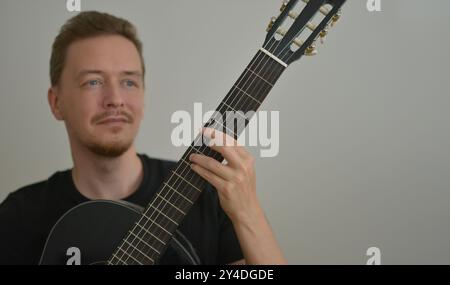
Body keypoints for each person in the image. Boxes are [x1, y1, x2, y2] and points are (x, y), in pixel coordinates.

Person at [0, 11, 286, 265]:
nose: (115, 99)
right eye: (93, 82)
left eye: (129, 82)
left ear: (143, 95)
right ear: (56, 102)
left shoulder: (208, 194)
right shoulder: (19, 216)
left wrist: (248, 213)